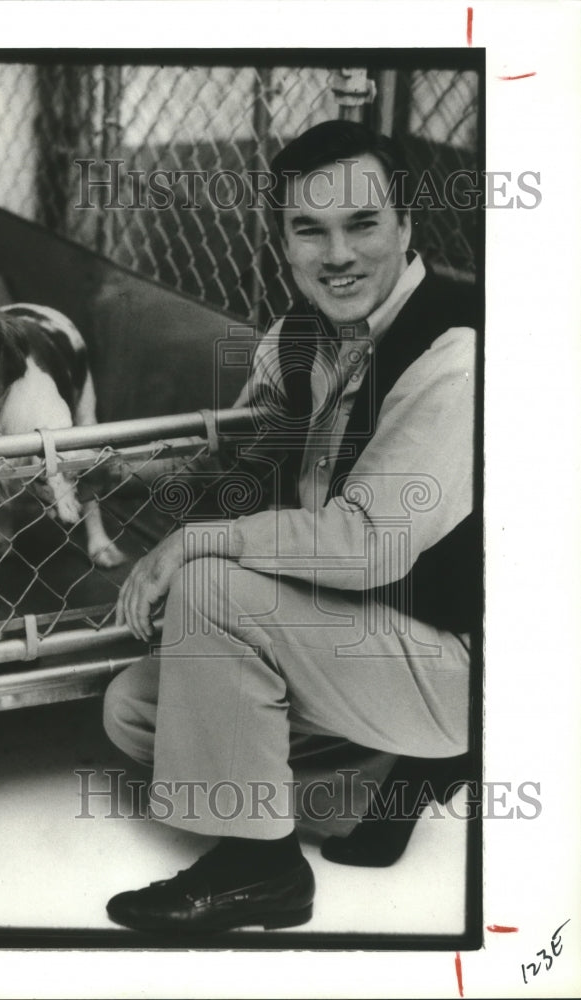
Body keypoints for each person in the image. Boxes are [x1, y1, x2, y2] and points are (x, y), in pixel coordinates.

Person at [102, 119, 479, 933]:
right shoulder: (300, 336)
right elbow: (239, 469)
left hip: (462, 660)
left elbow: (366, 540)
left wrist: (199, 541)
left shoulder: (455, 350)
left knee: (212, 583)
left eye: (361, 224)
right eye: (309, 229)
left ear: (407, 225)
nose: (335, 253)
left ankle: (260, 870)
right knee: (135, 710)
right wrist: (115, 472)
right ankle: (387, 783)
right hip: (362, 641)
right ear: (283, 242)